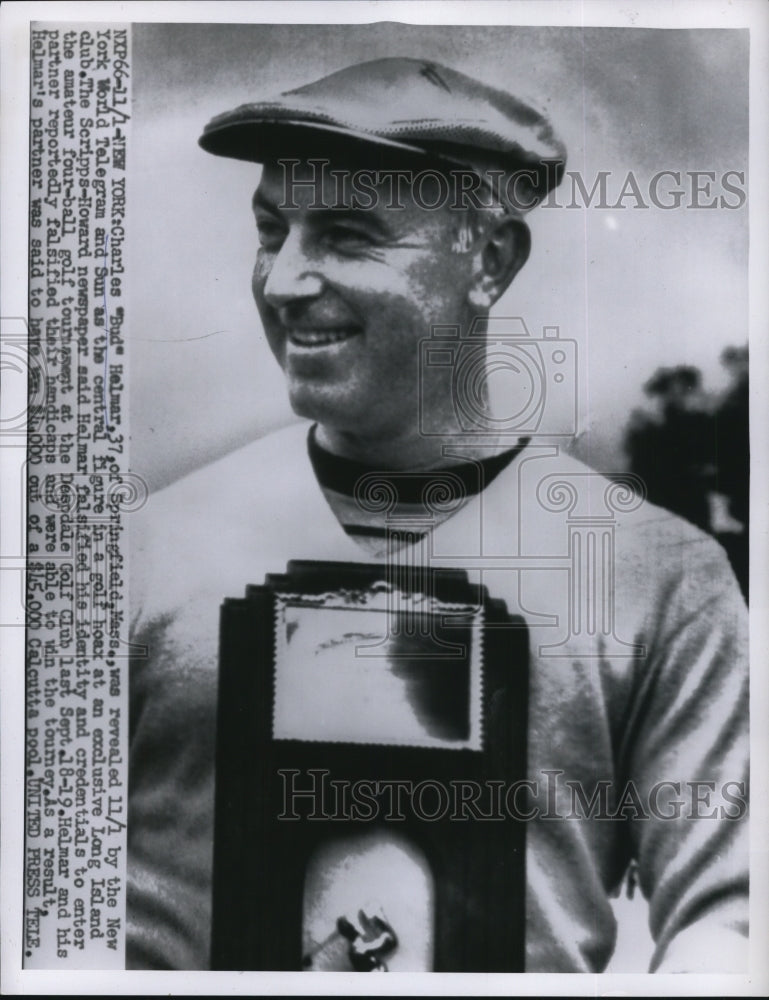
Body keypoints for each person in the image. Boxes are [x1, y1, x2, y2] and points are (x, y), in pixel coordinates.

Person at [127, 58, 748, 973]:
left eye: (345, 235)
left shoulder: (658, 580)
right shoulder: (140, 552)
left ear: (487, 261)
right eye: (272, 231)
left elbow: (726, 928)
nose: (285, 281)